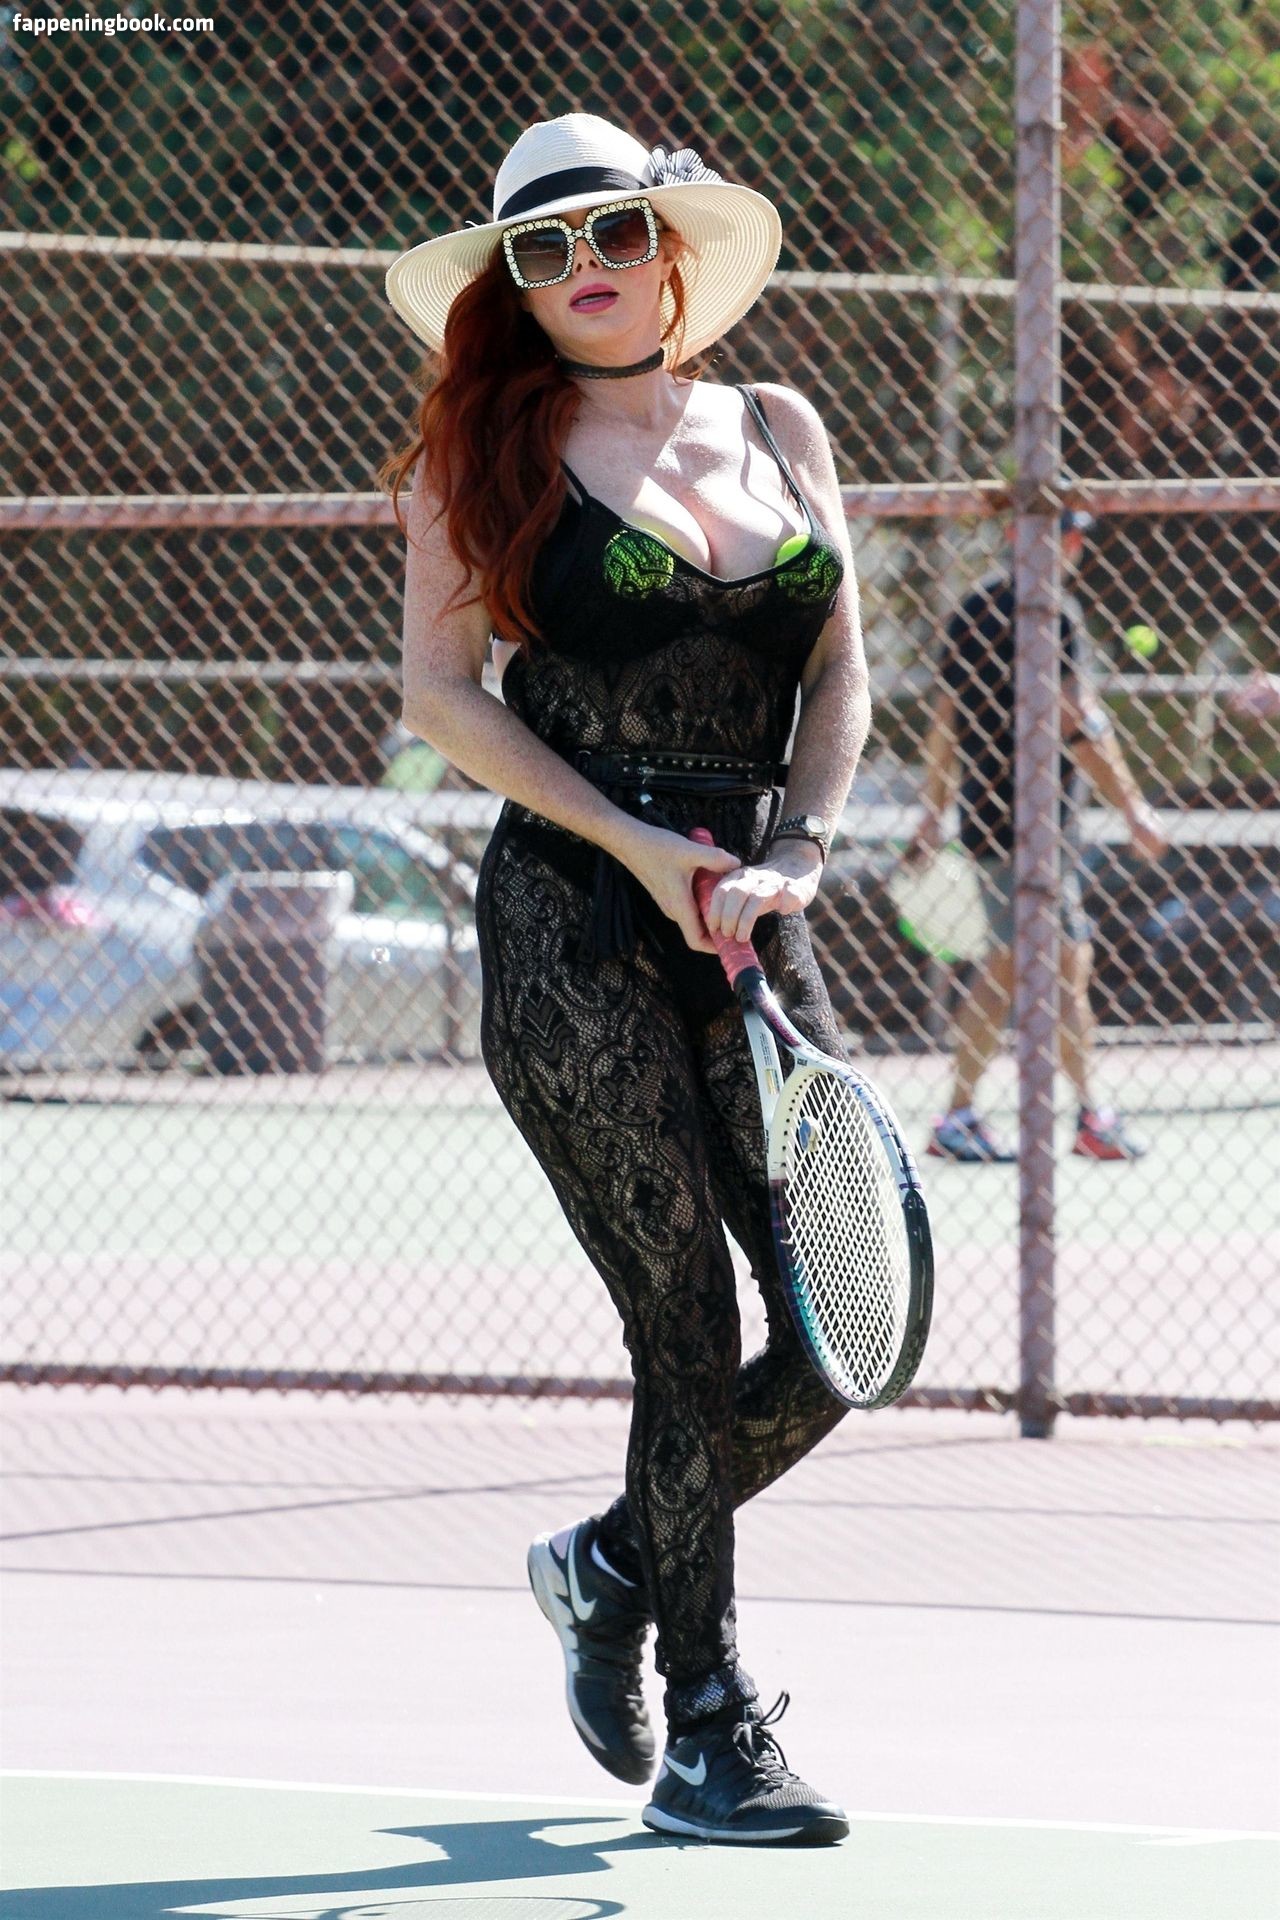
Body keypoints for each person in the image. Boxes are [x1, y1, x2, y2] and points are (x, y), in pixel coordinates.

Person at [381, 113, 868, 1845]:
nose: (582, 267)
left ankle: (607, 1566)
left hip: (752, 922)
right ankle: (711, 1724)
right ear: (513, 287)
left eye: (610, 232)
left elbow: (840, 676)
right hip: (575, 924)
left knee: (835, 1340)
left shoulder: (783, 426)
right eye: (542, 249)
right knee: (686, 1326)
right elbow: (443, 695)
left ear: (671, 248)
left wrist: (797, 851)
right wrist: (638, 844)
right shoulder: (486, 449)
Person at [907, 512, 1169, 1164]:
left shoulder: (972, 610)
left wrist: (934, 811)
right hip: (1031, 830)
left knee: (1041, 965)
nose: (1067, 548)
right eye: (1061, 535)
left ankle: (1036, 1114)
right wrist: (1134, 808)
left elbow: (944, 722)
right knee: (1041, 966)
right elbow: (1079, 720)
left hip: (994, 822)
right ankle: (1064, 1117)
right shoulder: (1054, 613)